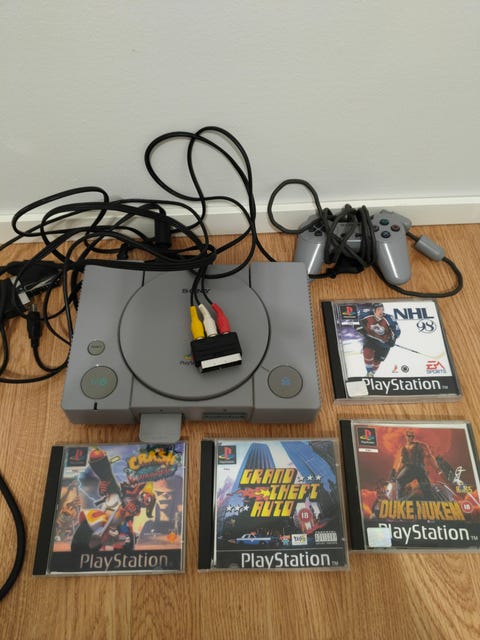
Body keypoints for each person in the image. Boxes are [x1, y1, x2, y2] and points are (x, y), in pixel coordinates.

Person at [394, 430, 442, 500]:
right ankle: (399, 501)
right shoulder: (404, 448)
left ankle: (432, 501)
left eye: (412, 436)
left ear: (413, 437)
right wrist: (397, 472)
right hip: (409, 468)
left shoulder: (421, 445)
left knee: (427, 488)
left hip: (419, 468)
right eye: (409, 436)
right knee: (399, 480)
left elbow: (430, 456)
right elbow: (401, 462)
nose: (410, 438)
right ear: (406, 437)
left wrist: (437, 468)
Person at [357, 303, 400, 376]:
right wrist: (359, 327)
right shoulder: (365, 314)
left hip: (384, 343)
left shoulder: (389, 318)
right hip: (371, 338)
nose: (381, 312)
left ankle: (372, 373)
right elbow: (353, 318)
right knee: (367, 352)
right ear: (374, 311)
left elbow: (397, 331)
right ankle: (369, 373)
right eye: (379, 310)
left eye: (382, 309)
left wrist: (393, 339)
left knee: (377, 360)